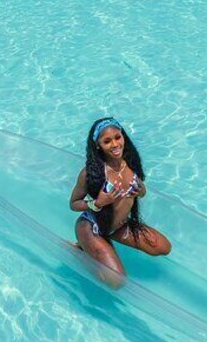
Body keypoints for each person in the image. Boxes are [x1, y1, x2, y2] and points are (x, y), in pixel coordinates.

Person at [69, 117, 171, 284]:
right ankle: (80, 251)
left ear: (123, 136)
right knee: (116, 282)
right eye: (107, 141)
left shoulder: (131, 163)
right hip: (92, 227)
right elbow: (73, 204)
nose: (115, 144)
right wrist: (97, 203)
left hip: (118, 226)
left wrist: (142, 191)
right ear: (98, 145)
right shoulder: (90, 172)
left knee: (163, 247)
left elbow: (139, 192)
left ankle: (94, 247)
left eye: (118, 137)